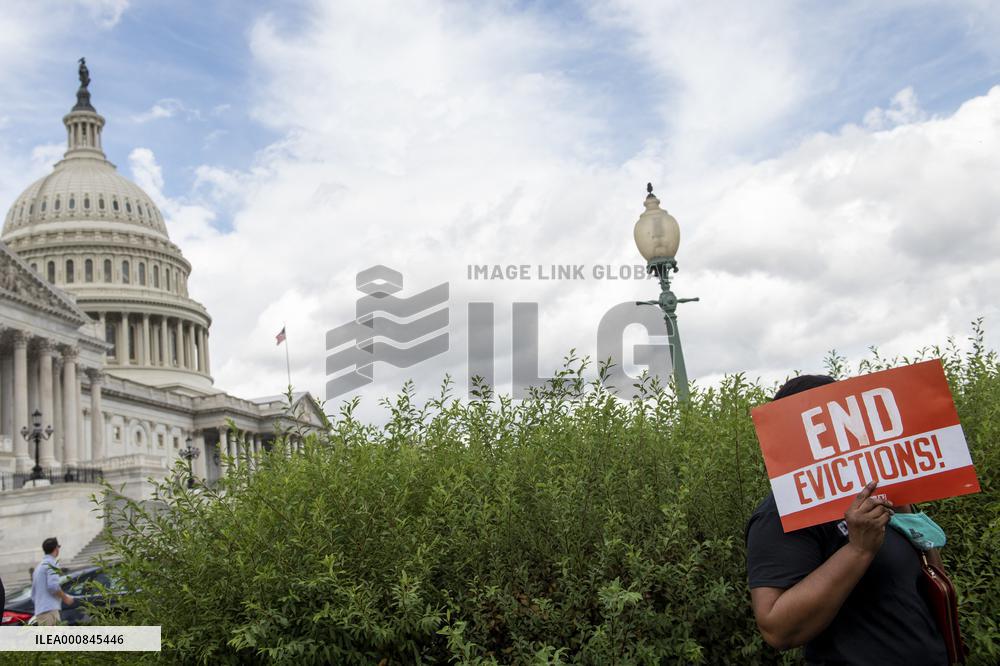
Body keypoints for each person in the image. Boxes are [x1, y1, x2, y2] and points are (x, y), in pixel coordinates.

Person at [746, 374, 949, 665]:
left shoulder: (875, 494)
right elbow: (777, 629)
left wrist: (908, 515)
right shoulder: (779, 513)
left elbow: (929, 579)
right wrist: (858, 550)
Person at [31, 537, 74, 626]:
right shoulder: (52, 563)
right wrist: (66, 598)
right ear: (56, 549)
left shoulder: (39, 567)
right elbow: (53, 586)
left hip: (40, 612)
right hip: (50, 611)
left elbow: (33, 594)